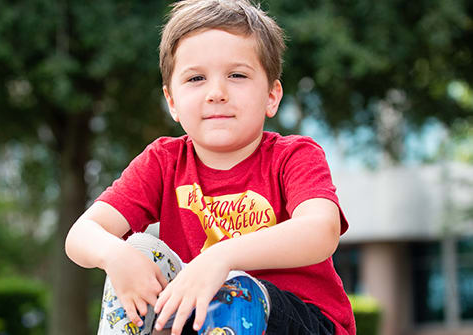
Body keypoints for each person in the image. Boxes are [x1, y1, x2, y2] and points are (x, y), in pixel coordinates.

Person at [65, 0, 355, 334]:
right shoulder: (163, 161)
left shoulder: (293, 156)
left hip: (300, 320)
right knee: (137, 250)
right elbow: (81, 235)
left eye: (237, 75)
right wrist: (114, 256)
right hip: (199, 316)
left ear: (272, 96)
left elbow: (321, 231)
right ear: (172, 101)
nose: (216, 93)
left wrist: (222, 257)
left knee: (235, 292)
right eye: (196, 78)